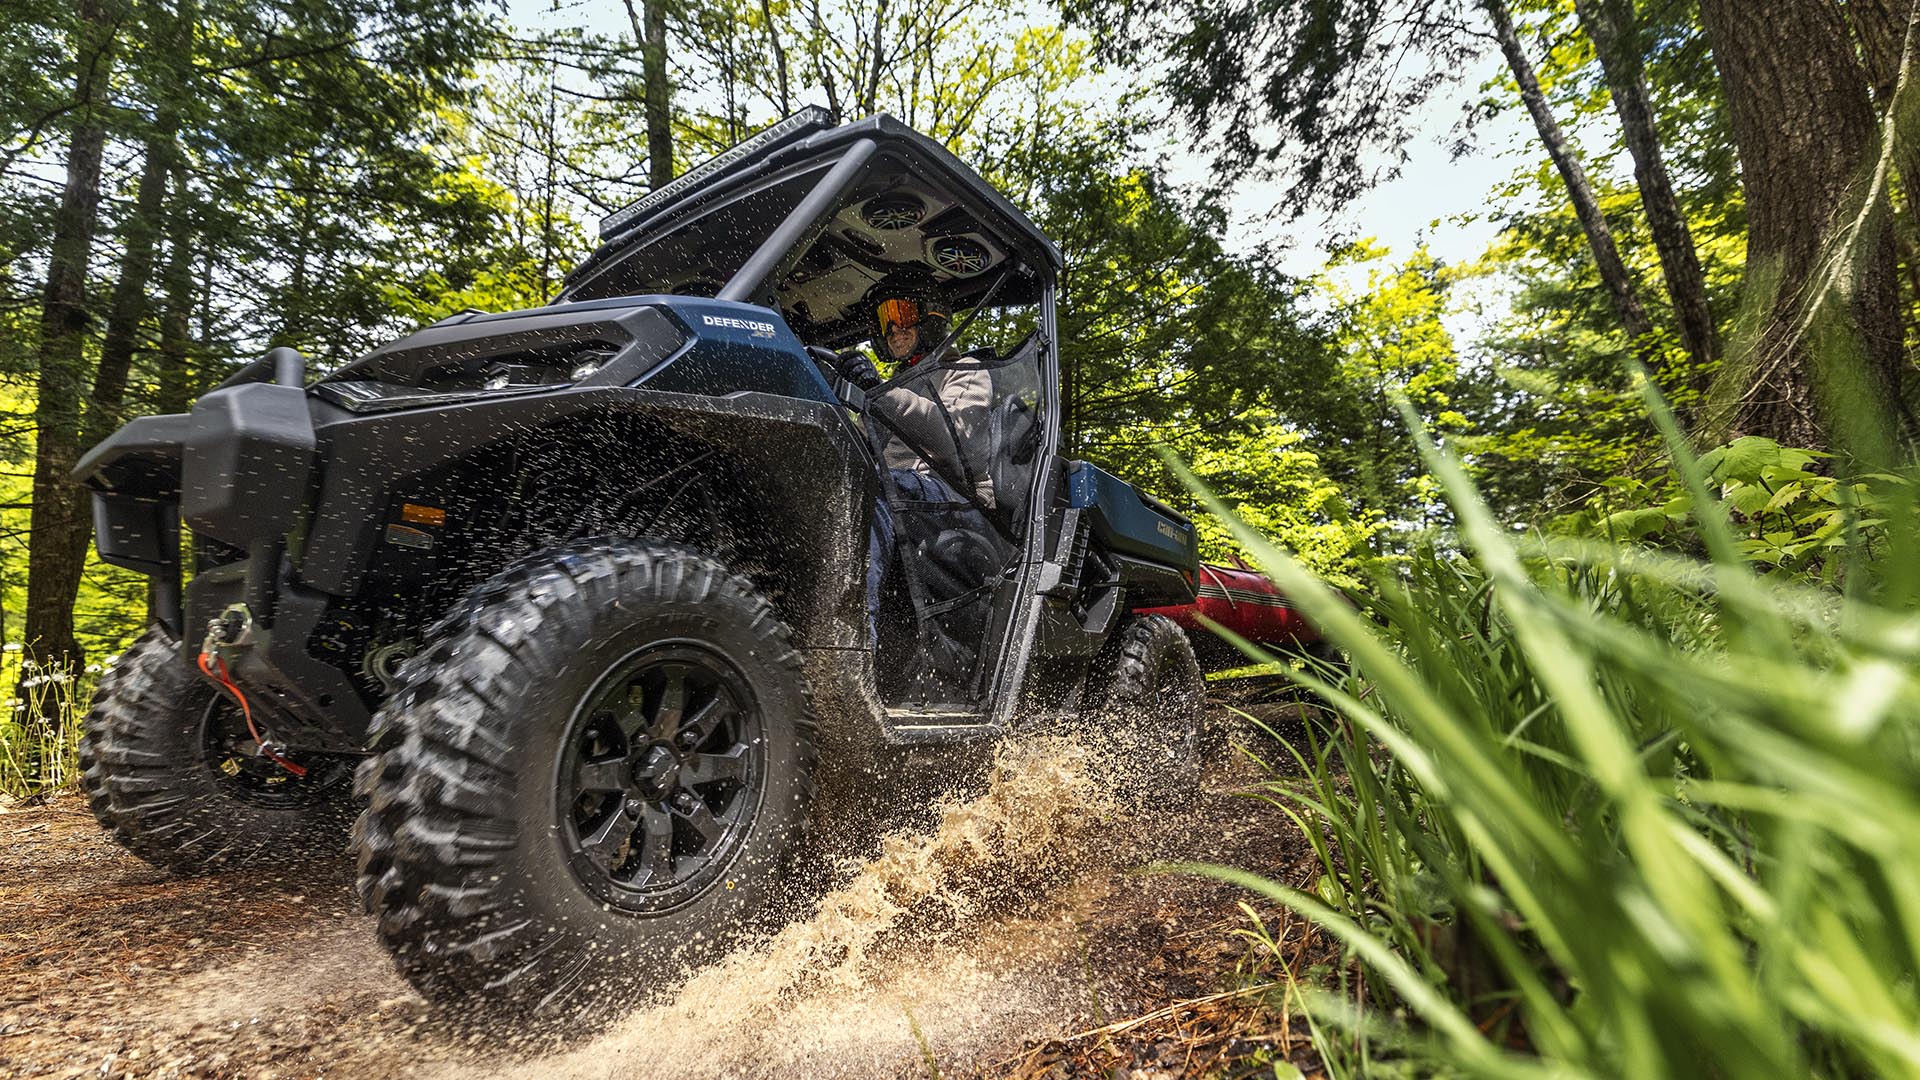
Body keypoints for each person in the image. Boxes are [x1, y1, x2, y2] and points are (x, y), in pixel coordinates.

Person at [840, 283, 1000, 663]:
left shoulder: (965, 370)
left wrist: (878, 392)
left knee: (876, 489)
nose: (893, 329)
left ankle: (853, 654)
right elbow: (861, 446)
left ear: (931, 317)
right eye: (884, 320)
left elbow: (954, 438)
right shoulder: (894, 384)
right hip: (904, 494)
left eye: (901, 315)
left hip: (959, 497)